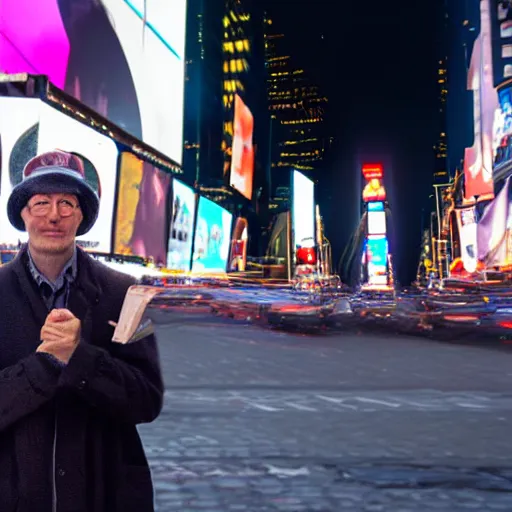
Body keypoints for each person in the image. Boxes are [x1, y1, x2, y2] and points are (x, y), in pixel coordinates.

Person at [0, 150, 163, 511]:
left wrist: (82, 358)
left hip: (103, 496)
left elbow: (146, 399)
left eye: (67, 203)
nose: (54, 215)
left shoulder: (126, 294)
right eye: (41, 202)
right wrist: (43, 365)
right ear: (24, 214)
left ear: (82, 215)